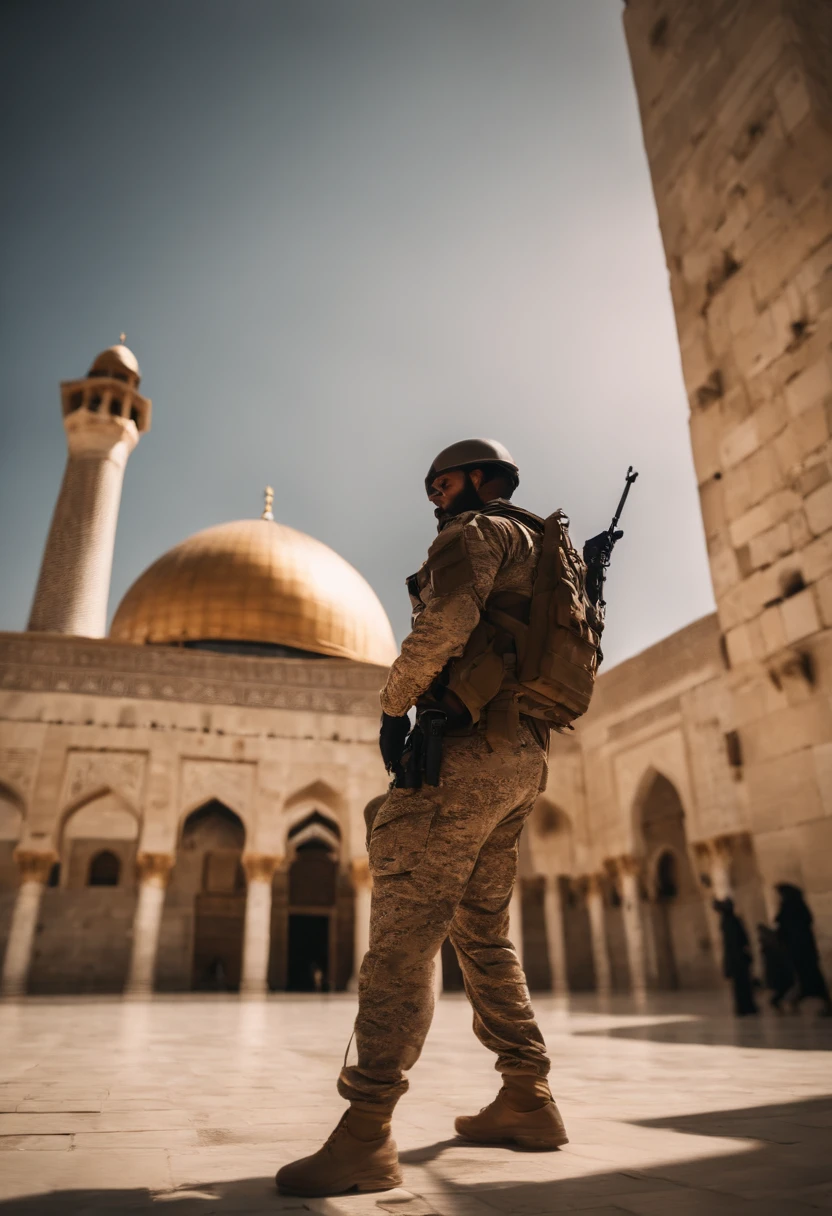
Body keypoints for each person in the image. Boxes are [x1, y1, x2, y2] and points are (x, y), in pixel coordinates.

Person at [276, 439, 572, 1198]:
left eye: (444, 482)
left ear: (479, 482)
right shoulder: (543, 547)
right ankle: (527, 1096)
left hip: (464, 754)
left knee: (405, 934)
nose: (436, 496)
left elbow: (443, 627)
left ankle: (365, 1131)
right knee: (480, 932)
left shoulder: (474, 535)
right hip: (523, 757)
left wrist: (392, 704)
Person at [774, 884, 832, 1016]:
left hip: (800, 952)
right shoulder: (798, 909)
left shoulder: (790, 910)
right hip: (803, 952)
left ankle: (788, 1001)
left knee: (806, 979)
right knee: (808, 979)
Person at [714, 898, 758, 1017]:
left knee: (741, 984)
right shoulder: (732, 921)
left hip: (736, 958)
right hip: (739, 958)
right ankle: (746, 1007)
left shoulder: (729, 922)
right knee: (742, 984)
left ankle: (745, 1007)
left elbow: (734, 942)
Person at [756, 923, 795, 1012]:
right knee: (785, 988)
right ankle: (779, 1002)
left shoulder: (770, 945)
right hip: (778, 973)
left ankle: (785, 1002)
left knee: (786, 988)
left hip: (779, 973)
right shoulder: (769, 946)